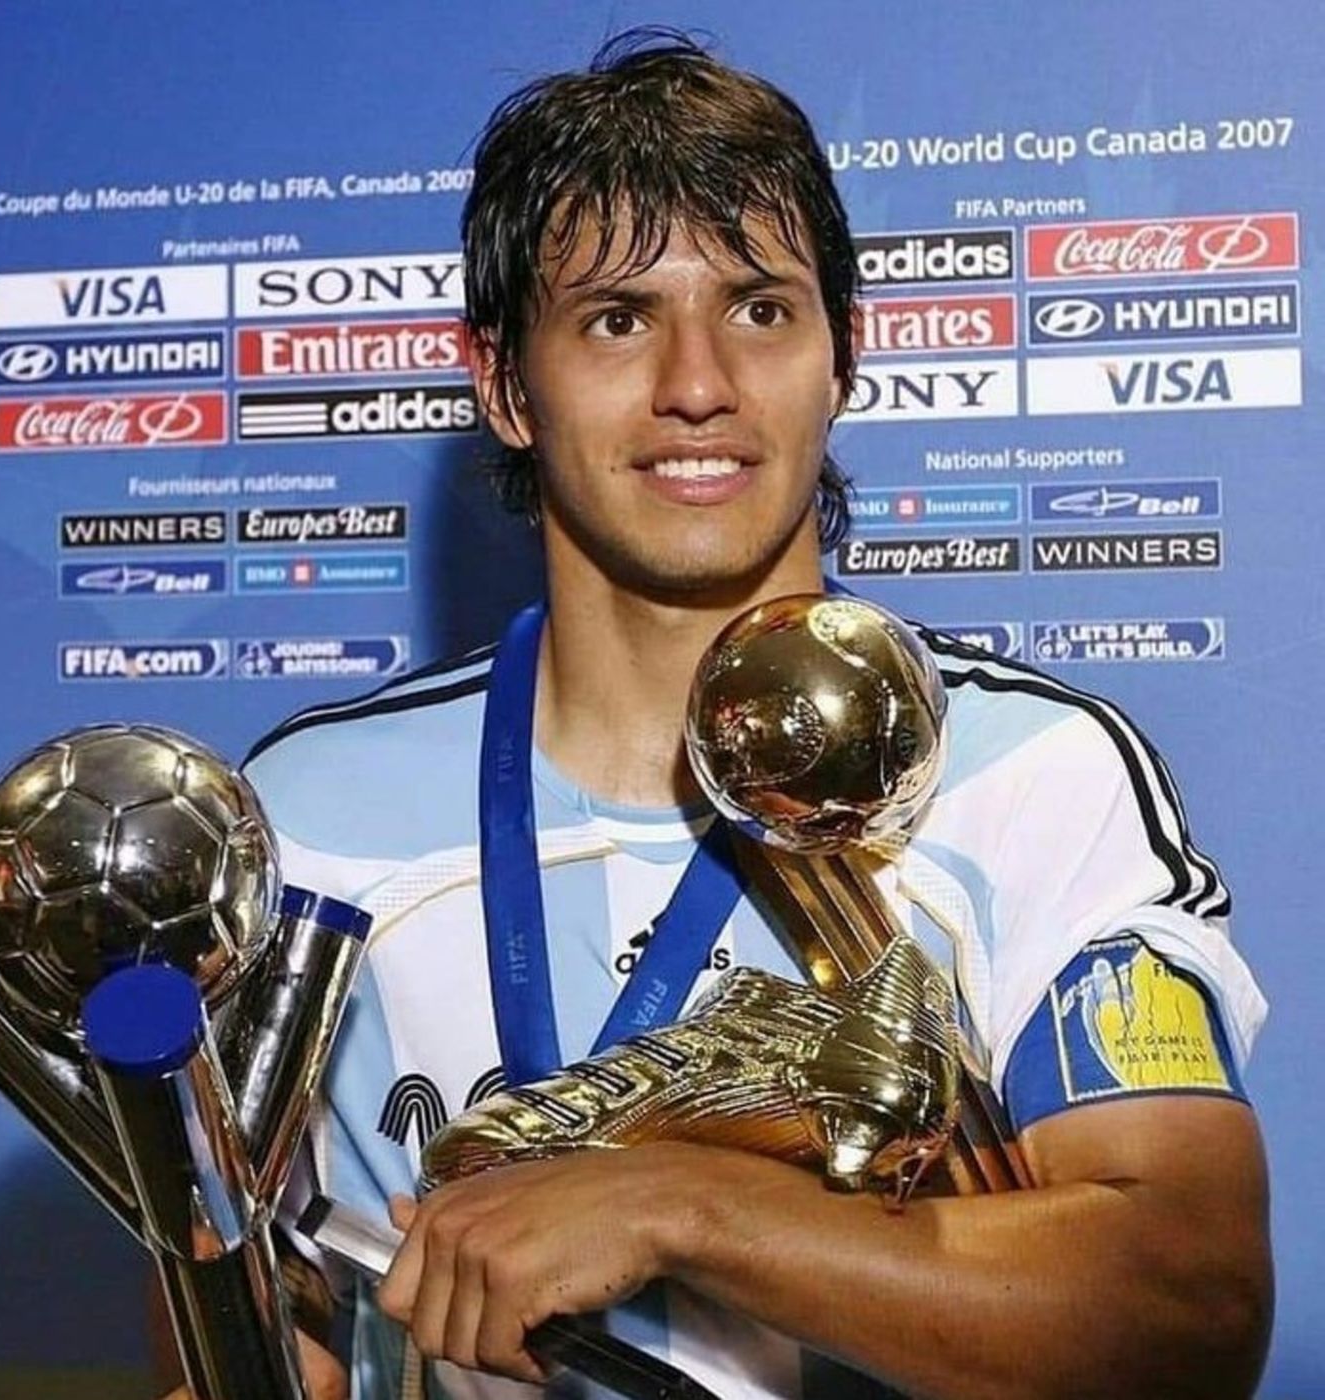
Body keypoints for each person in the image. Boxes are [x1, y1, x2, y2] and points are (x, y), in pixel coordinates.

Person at [209, 30, 1272, 1400]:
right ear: (504, 384)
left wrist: (681, 1203)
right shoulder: (304, 818)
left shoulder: (1028, 775)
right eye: (617, 319)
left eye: (761, 310)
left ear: (844, 355)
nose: (698, 383)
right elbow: (260, 1326)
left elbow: (1186, 1303)